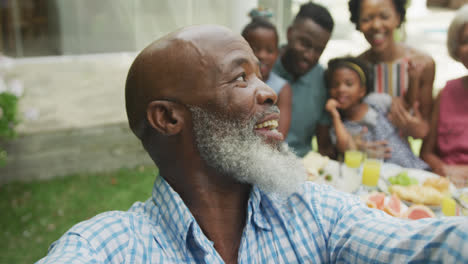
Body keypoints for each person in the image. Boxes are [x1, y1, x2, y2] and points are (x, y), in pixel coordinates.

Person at [36, 25, 468, 264]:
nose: (269, 93)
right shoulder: (110, 248)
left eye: (262, 74)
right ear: (168, 118)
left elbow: (426, 246)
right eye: (241, 77)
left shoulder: (313, 212)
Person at [348, 0, 435, 140]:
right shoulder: (355, 69)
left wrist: (413, 126)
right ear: (358, 23)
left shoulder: (421, 64)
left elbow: (425, 128)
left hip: (401, 156)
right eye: (366, 19)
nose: (376, 25)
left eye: (384, 16)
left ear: (398, 17)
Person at [324, 56, 429, 169]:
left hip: (411, 167)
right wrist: (335, 115)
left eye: (349, 84)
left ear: (362, 91)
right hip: (378, 177)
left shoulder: (375, 102)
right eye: (335, 85)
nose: (341, 89)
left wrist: (413, 79)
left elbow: (406, 106)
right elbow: (345, 148)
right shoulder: (340, 127)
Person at [272, 2, 335, 157]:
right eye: (304, 44)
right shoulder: (265, 67)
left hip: (301, 167)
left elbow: (323, 144)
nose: (309, 56)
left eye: (319, 50)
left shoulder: (323, 80)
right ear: (289, 33)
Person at [420, 5, 468, 187]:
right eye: (466, 40)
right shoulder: (446, 92)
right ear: (456, 49)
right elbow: (426, 153)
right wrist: (445, 170)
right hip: (446, 187)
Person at [242, 17, 292, 137]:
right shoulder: (235, 84)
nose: (262, 55)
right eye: (255, 49)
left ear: (277, 54)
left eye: (269, 50)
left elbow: (280, 134)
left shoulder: (282, 89)